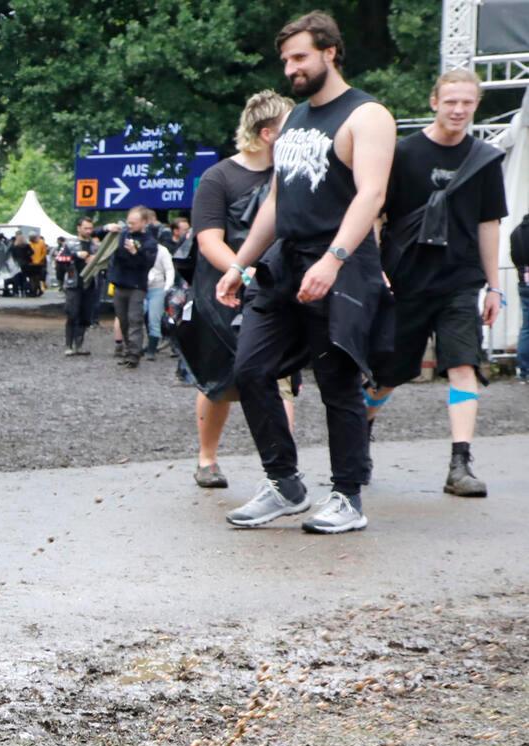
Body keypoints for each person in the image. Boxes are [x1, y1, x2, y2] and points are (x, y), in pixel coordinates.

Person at [218, 10, 395, 535]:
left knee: (337, 382)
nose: (291, 68)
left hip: (340, 258)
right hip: (286, 260)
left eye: (300, 57)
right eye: (286, 60)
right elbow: (277, 198)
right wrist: (239, 265)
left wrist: (334, 260)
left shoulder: (367, 116)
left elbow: (372, 194)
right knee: (250, 368)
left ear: (330, 52)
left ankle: (347, 496)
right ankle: (285, 483)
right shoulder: (294, 118)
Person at [368, 68, 506, 499]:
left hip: (458, 283)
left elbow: (489, 224)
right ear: (434, 102)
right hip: (406, 281)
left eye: (467, 102)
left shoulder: (484, 159)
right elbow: (375, 213)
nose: (459, 109)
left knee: (464, 365)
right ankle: (361, 433)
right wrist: (376, 270)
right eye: (451, 101)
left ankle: (460, 463)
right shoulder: (403, 153)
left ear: (476, 105)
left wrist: (493, 285)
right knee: (388, 375)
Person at [180, 89, 293, 486]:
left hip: (278, 291)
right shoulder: (219, 177)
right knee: (219, 381)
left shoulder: (291, 176)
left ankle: (282, 472)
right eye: (289, 128)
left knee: (281, 379)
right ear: (267, 134)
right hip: (223, 292)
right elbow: (209, 240)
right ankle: (207, 459)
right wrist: (244, 272)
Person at [108, 206, 157, 367]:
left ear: (144, 222)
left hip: (137, 285)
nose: (130, 225)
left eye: (133, 223)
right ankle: (128, 350)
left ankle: (134, 355)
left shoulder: (149, 241)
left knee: (134, 319)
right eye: (128, 222)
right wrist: (107, 228)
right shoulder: (122, 236)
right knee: (123, 320)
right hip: (120, 283)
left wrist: (137, 253)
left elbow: (148, 263)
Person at [59, 218, 100, 354]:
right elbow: (59, 259)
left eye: (90, 228)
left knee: (85, 315)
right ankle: (68, 346)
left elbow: (103, 262)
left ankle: (79, 345)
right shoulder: (69, 244)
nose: (88, 231)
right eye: (85, 228)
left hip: (90, 284)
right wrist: (75, 255)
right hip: (73, 283)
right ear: (78, 228)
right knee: (72, 313)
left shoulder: (95, 246)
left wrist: (95, 260)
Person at [142, 209, 175, 359]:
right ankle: (149, 343)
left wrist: (167, 288)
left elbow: (169, 270)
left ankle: (151, 350)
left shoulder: (162, 251)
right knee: (142, 316)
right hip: (141, 288)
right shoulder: (140, 249)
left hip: (157, 288)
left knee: (154, 319)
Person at [513, 212, 529, 381]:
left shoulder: (516, 232)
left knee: (526, 328)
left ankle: (524, 369)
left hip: (523, 281)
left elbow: (514, 257)